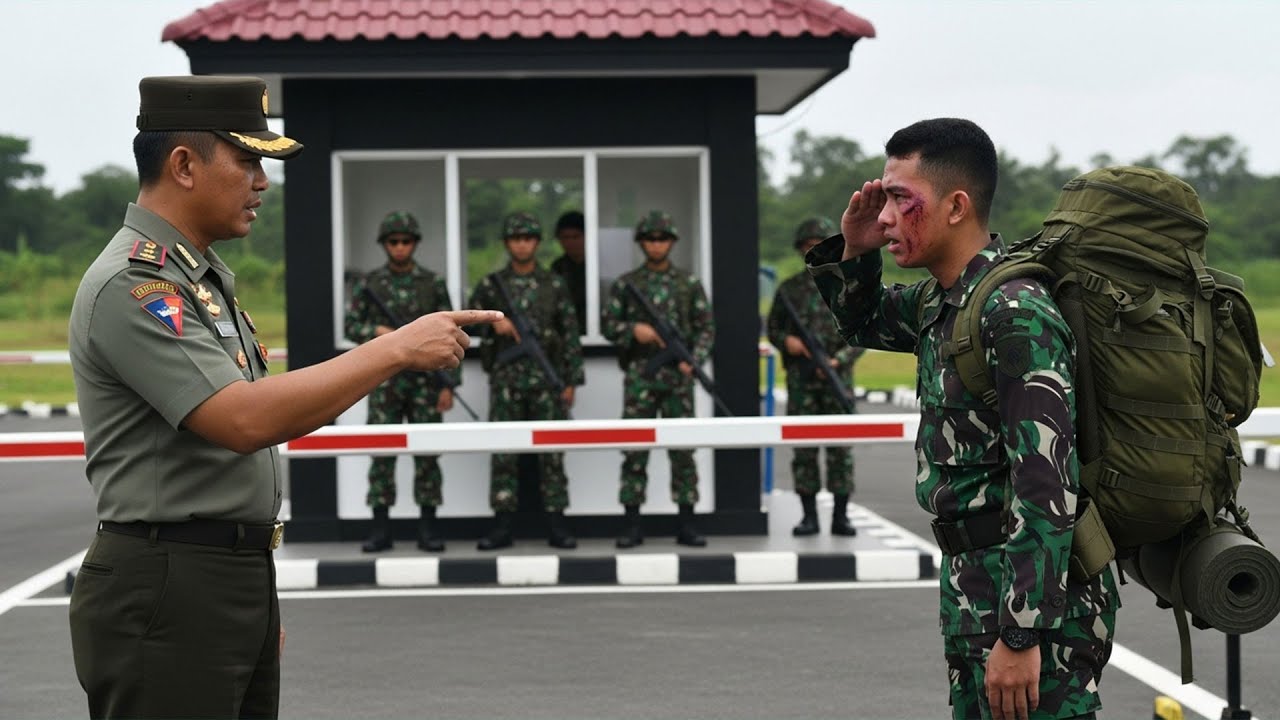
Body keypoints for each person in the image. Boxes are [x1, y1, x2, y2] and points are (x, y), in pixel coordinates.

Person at [66, 75, 500, 720]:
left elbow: (277, 414)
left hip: (221, 579)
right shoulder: (137, 285)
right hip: (170, 581)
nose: (262, 182)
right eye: (246, 160)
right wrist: (396, 348)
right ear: (183, 164)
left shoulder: (199, 280)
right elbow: (243, 420)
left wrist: (246, 606)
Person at [807, 118, 1120, 720]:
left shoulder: (1014, 314)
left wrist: (1023, 634)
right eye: (886, 198)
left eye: (902, 200)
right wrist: (854, 250)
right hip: (976, 585)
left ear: (956, 206)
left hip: (1030, 602)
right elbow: (862, 322)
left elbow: (1047, 484)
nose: (887, 216)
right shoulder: (946, 301)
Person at [468, 211, 584, 550]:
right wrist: (494, 324)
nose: (522, 244)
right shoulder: (492, 285)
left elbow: (571, 335)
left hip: (547, 381)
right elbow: (467, 320)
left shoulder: (554, 284)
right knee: (504, 454)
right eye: (516, 239)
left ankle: (557, 525)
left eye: (528, 238)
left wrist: (571, 380)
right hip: (506, 379)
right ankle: (502, 526)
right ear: (507, 244)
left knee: (551, 454)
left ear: (536, 243)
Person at [344, 210, 457, 553]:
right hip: (384, 380)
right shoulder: (371, 284)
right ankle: (380, 529)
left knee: (427, 456)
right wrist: (375, 331)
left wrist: (449, 384)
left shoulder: (433, 284)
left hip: (426, 382)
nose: (400, 248)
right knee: (382, 454)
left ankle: (428, 528)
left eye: (406, 242)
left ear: (415, 244)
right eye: (393, 242)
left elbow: (452, 332)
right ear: (384, 245)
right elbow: (351, 326)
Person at [603, 210, 714, 548]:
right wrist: (632, 330)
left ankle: (687, 523)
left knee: (682, 452)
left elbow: (706, 328)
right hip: (641, 377)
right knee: (635, 450)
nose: (656, 245)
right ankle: (632, 523)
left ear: (672, 242)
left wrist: (693, 359)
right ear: (641, 243)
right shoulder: (627, 285)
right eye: (650, 239)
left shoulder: (688, 284)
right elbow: (610, 324)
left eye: (662, 239)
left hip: (678, 380)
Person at [766, 216, 864, 537]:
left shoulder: (846, 286)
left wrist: (839, 360)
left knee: (840, 452)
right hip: (802, 380)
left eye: (818, 246)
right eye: (807, 246)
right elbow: (774, 330)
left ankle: (840, 516)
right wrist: (787, 342)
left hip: (837, 379)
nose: (813, 251)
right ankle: (808, 517)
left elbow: (862, 331)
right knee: (804, 449)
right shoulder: (788, 290)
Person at [550, 210, 587, 335]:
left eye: (576, 236)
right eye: (565, 237)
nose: (571, 242)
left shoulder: (596, 266)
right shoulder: (557, 268)